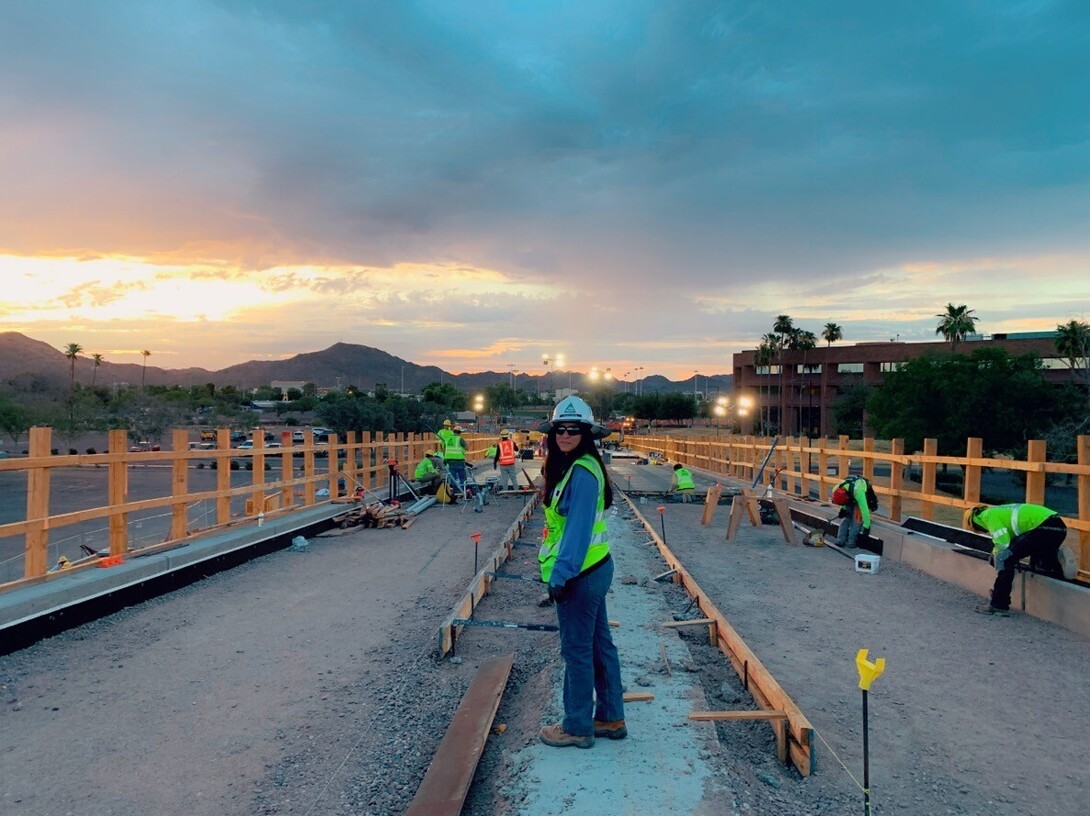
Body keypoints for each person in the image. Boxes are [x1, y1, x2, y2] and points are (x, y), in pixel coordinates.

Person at [537, 396, 625, 749]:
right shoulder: (578, 467)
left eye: (574, 429)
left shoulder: (584, 473)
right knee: (600, 645)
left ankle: (576, 726)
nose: (566, 435)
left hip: (580, 575)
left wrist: (561, 575)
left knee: (576, 651)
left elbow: (578, 530)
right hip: (594, 570)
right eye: (561, 428)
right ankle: (610, 718)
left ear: (586, 433)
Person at [966, 504, 1078, 616]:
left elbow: (1003, 543)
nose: (986, 532)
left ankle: (999, 604)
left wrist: (994, 555)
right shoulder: (1000, 511)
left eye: (982, 531)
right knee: (1039, 567)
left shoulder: (987, 517)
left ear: (975, 523)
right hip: (1058, 527)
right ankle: (1056, 561)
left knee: (1004, 559)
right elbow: (1014, 541)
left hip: (1042, 528)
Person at [831, 475, 874, 549]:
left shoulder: (859, 492)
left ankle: (851, 541)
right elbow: (842, 501)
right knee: (846, 518)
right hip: (849, 496)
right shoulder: (835, 489)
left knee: (857, 519)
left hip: (858, 495)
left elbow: (865, 511)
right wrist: (843, 509)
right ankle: (840, 539)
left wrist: (866, 526)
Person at [443, 424, 468, 492]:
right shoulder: (460, 439)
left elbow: (444, 449)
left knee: (453, 478)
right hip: (459, 460)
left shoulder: (447, 439)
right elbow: (466, 447)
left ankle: (455, 491)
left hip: (450, 461)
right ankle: (463, 491)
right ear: (459, 433)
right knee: (462, 477)